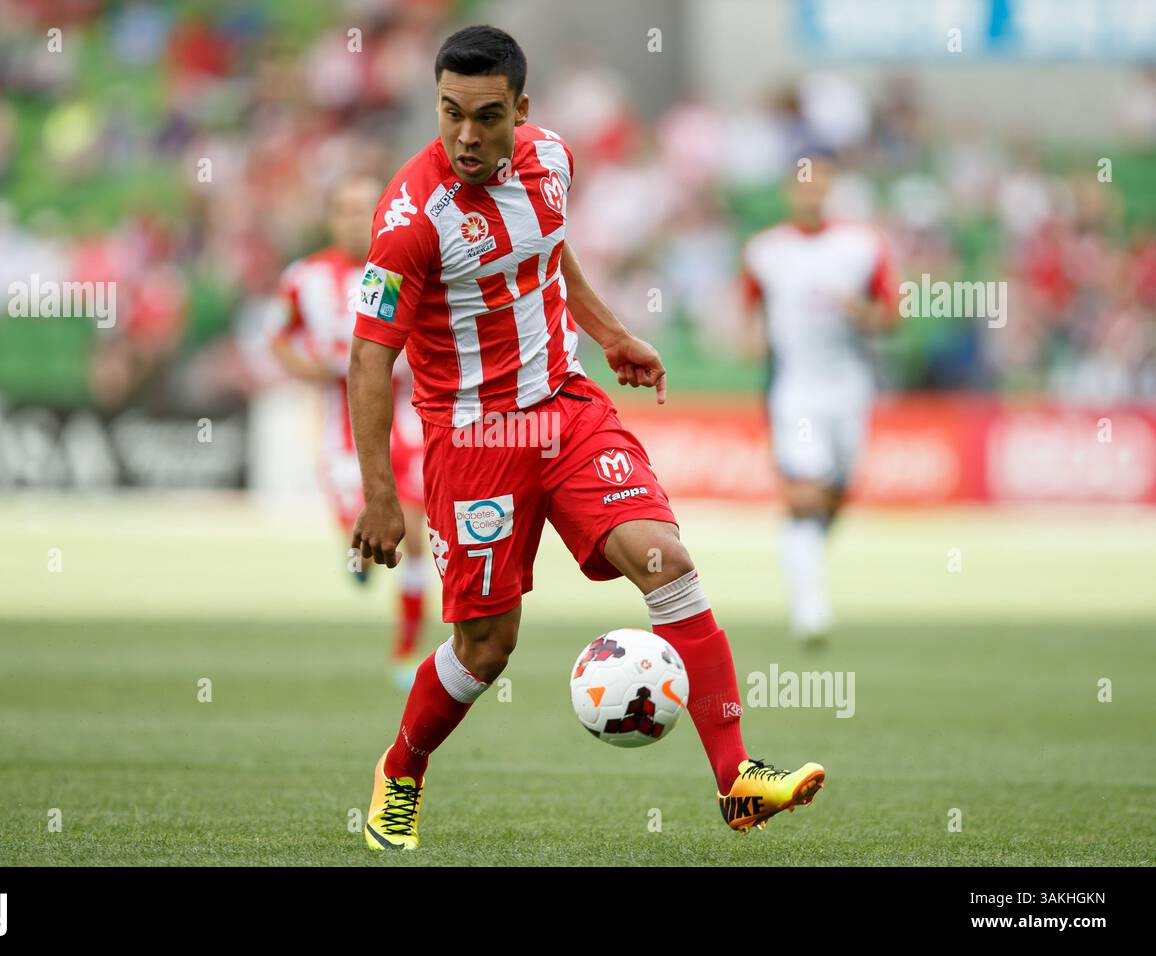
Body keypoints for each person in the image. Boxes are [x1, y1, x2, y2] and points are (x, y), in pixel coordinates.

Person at [349, 25, 825, 850]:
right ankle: (402, 768)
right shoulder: (409, 221)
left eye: (486, 116)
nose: (466, 136)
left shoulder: (552, 161)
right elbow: (366, 360)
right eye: (450, 114)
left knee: (667, 561)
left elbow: (547, 250)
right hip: (475, 439)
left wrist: (607, 335)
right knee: (486, 650)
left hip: (566, 407)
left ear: (521, 111)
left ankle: (738, 781)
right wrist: (381, 499)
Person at [273, 174, 428, 687]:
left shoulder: (400, 269)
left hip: (404, 420)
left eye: (368, 208)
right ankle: (357, 553)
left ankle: (406, 651)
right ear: (331, 217)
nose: (357, 219)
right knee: (362, 536)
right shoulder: (304, 277)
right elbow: (279, 338)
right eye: (346, 209)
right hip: (341, 428)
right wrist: (308, 369)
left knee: (414, 534)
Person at [739, 155, 898, 642]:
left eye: (820, 184)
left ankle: (802, 561)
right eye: (803, 186)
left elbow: (892, 313)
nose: (812, 193)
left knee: (836, 497)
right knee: (805, 494)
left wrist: (865, 315)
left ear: (830, 189)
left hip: (850, 388)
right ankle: (809, 607)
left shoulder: (861, 245)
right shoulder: (766, 250)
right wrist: (754, 340)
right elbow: (748, 311)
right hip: (796, 389)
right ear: (791, 191)